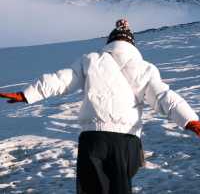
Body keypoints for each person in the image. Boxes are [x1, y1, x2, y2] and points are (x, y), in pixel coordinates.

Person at [0, 19, 200, 194]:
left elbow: (62, 80)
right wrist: (190, 120)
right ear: (132, 44)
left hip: (93, 138)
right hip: (126, 142)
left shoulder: (91, 60)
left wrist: (28, 94)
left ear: (109, 42)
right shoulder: (145, 68)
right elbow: (164, 96)